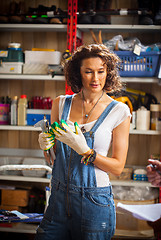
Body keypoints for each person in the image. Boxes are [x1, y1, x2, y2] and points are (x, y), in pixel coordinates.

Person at [36, 44, 131, 240]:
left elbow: (118, 167)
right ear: (78, 73)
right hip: (58, 198)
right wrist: (46, 146)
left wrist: (86, 151)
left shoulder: (119, 111)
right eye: (88, 72)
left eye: (101, 71)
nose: (95, 79)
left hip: (94, 201)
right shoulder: (60, 104)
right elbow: (53, 159)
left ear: (108, 73)